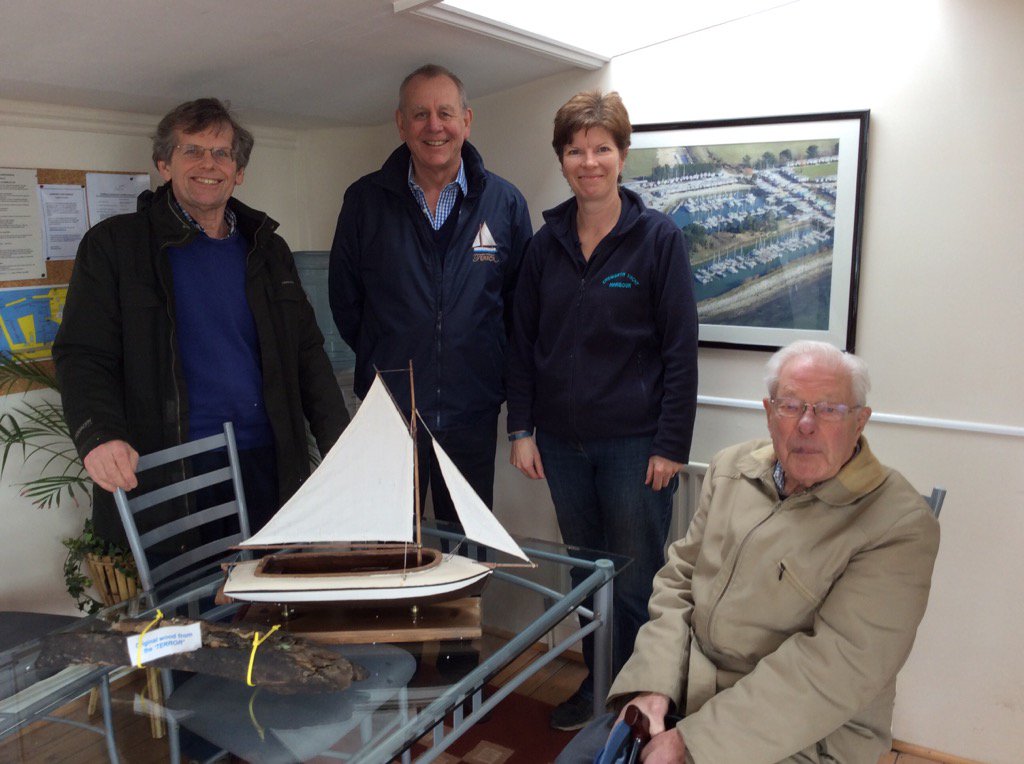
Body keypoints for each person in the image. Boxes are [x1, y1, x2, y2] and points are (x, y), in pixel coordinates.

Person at [558, 340, 941, 764]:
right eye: (791, 405)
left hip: (805, 732)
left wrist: (693, 743)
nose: (807, 424)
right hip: (686, 689)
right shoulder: (731, 468)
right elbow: (678, 580)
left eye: (830, 409)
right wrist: (653, 685)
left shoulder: (898, 523)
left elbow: (834, 670)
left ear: (860, 421)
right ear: (769, 411)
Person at [54, 97, 349, 549]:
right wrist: (99, 435)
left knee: (272, 596)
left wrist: (341, 446)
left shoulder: (268, 251)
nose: (207, 164)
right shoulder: (115, 246)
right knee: (188, 609)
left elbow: (307, 355)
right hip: (172, 468)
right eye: (191, 150)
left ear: (239, 170)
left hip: (269, 462)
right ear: (163, 164)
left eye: (221, 153)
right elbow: (82, 354)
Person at [505, 90, 699, 731]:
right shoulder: (545, 243)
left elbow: (678, 350)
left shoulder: (657, 239)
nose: (588, 161)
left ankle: (639, 706)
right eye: (575, 150)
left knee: (638, 580)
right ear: (562, 158)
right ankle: (596, 691)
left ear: (621, 156)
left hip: (635, 446)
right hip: (560, 444)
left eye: (601, 149)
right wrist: (522, 427)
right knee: (588, 578)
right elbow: (524, 343)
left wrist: (671, 443)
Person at [329, 63, 532, 523]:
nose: (434, 126)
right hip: (391, 413)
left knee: (471, 546)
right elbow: (346, 301)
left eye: (445, 112)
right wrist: (387, 359)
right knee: (391, 549)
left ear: (467, 120)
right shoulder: (364, 202)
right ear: (401, 123)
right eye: (420, 114)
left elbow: (521, 311)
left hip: (472, 411)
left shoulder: (505, 203)